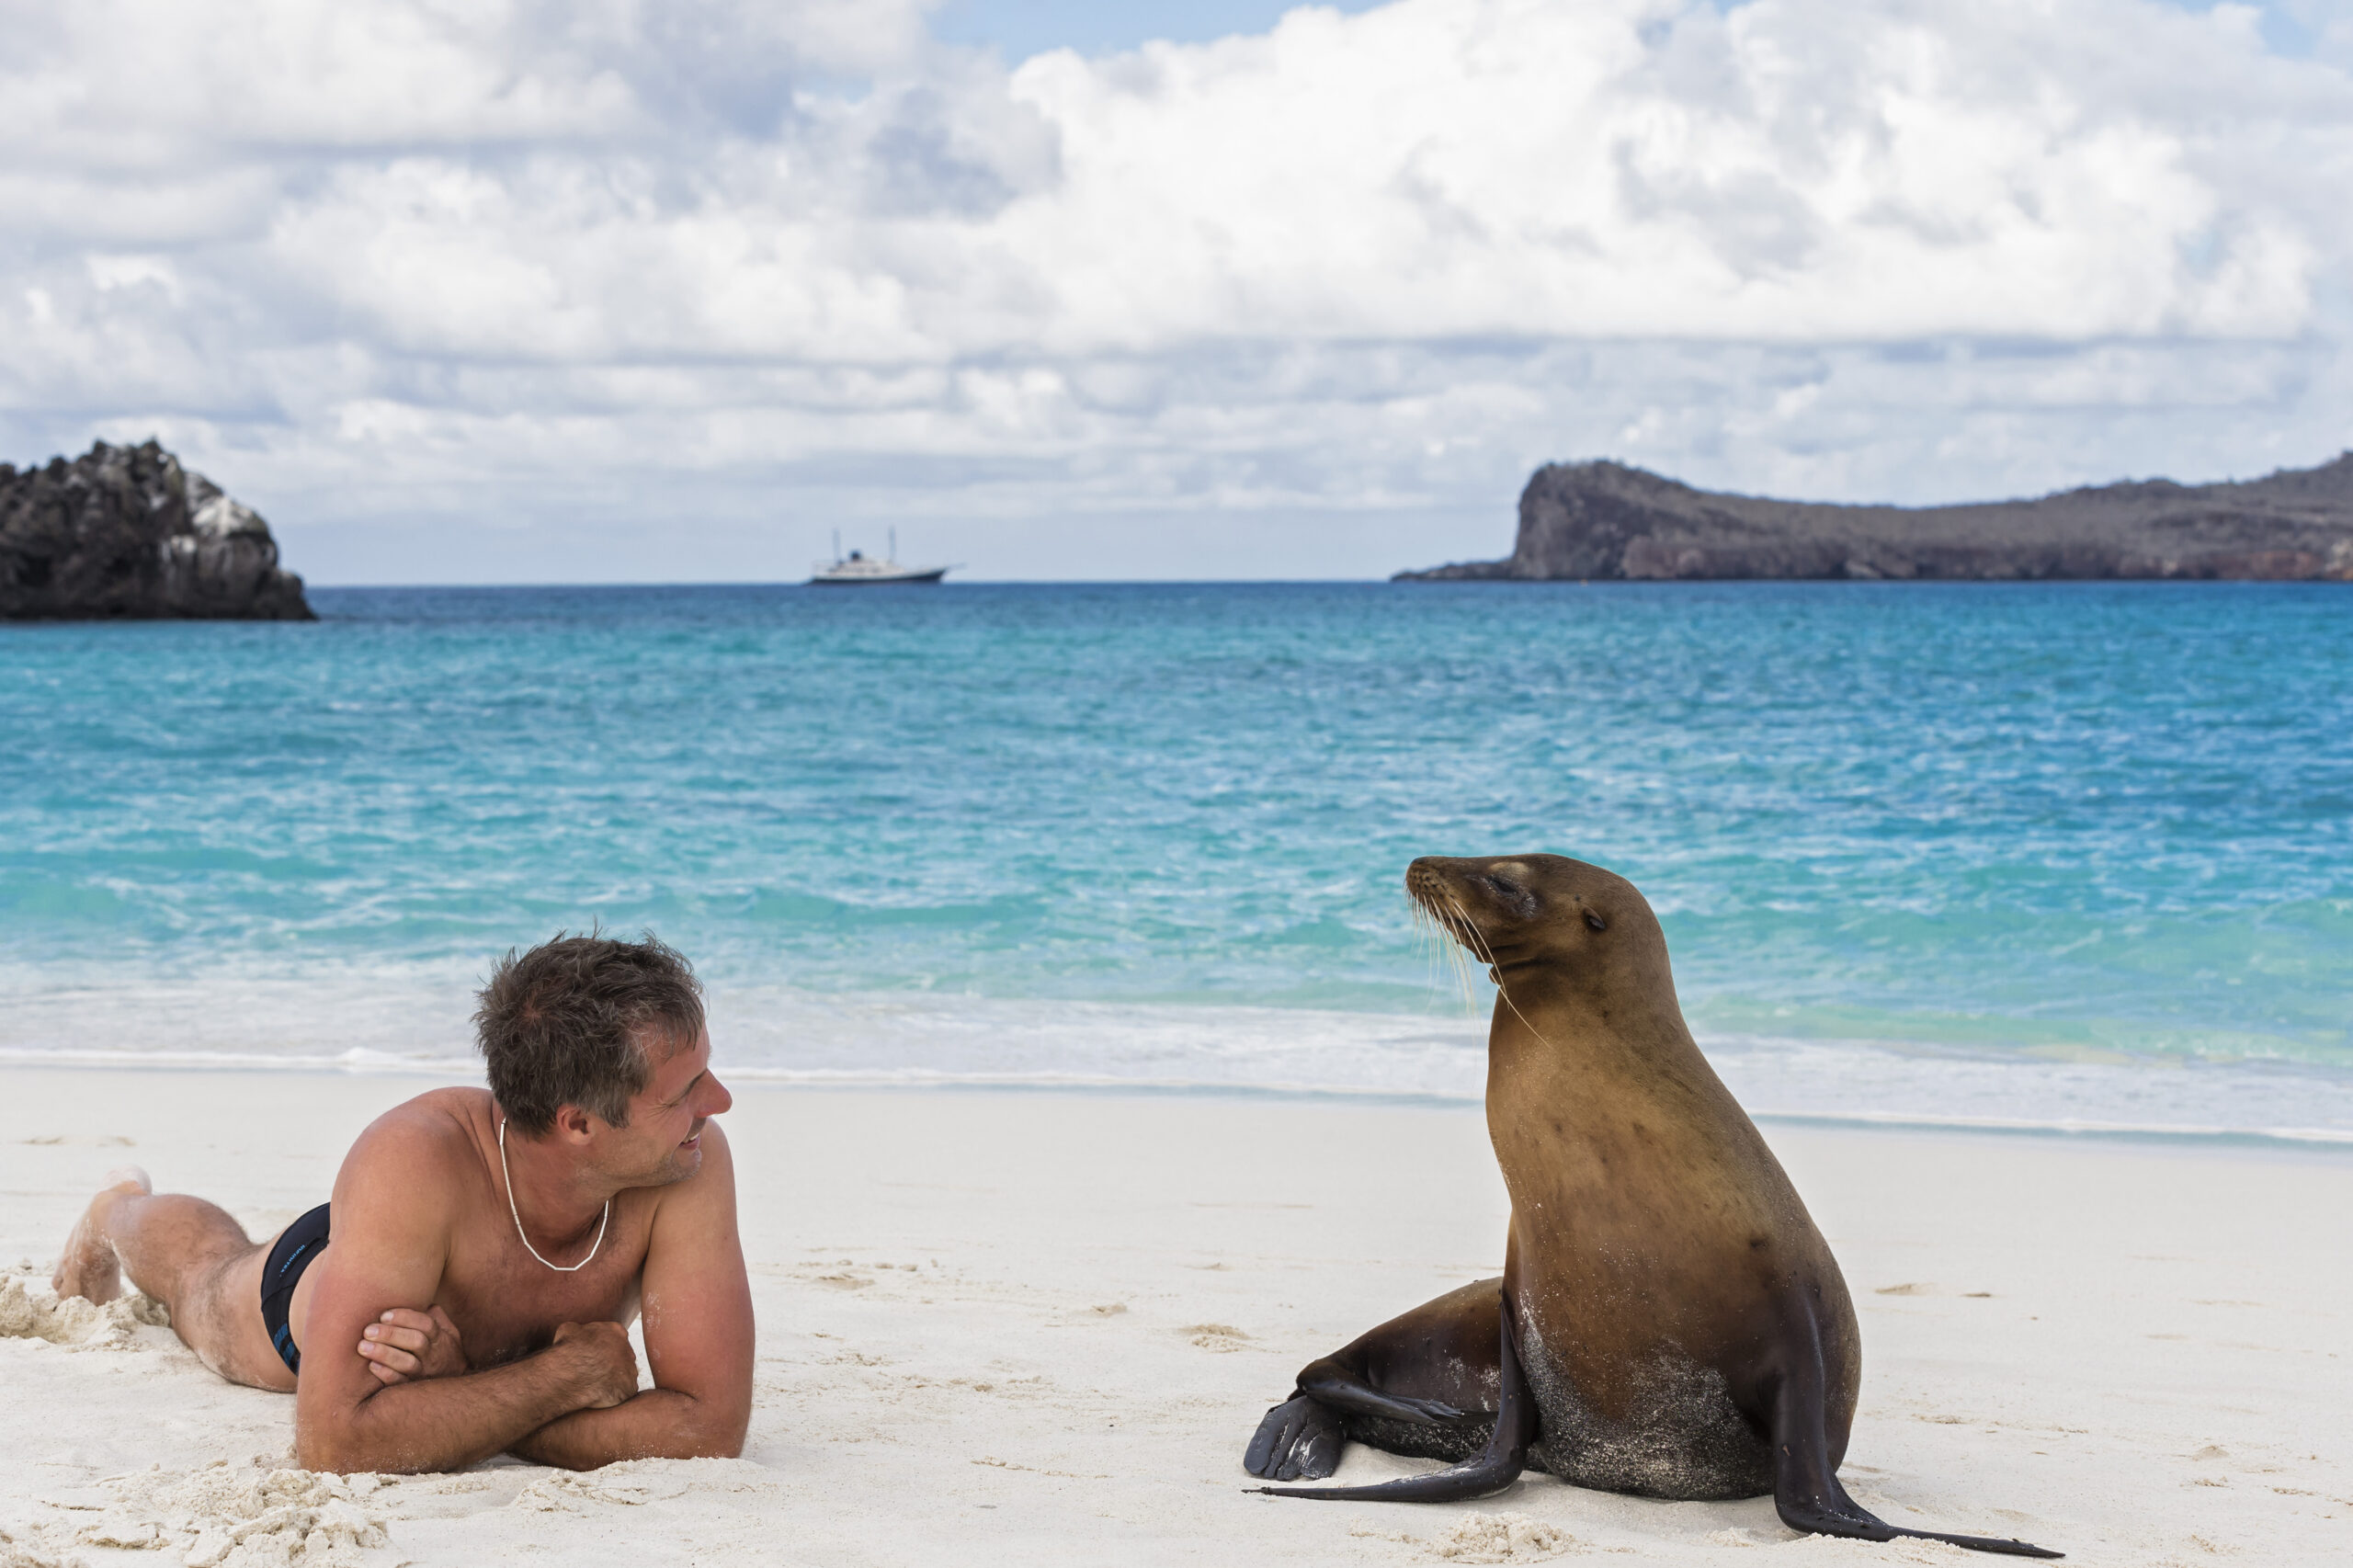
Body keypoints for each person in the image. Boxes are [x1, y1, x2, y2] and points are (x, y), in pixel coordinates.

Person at [48, 933, 752, 1474]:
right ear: (578, 1123)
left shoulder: (684, 1159)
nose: (717, 1103)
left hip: (412, 1260)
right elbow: (335, 1442)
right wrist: (562, 1379)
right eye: (684, 1090)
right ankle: (114, 1210)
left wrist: (463, 1395)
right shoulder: (412, 1157)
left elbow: (708, 1427)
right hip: (321, 1290)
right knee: (204, 1276)